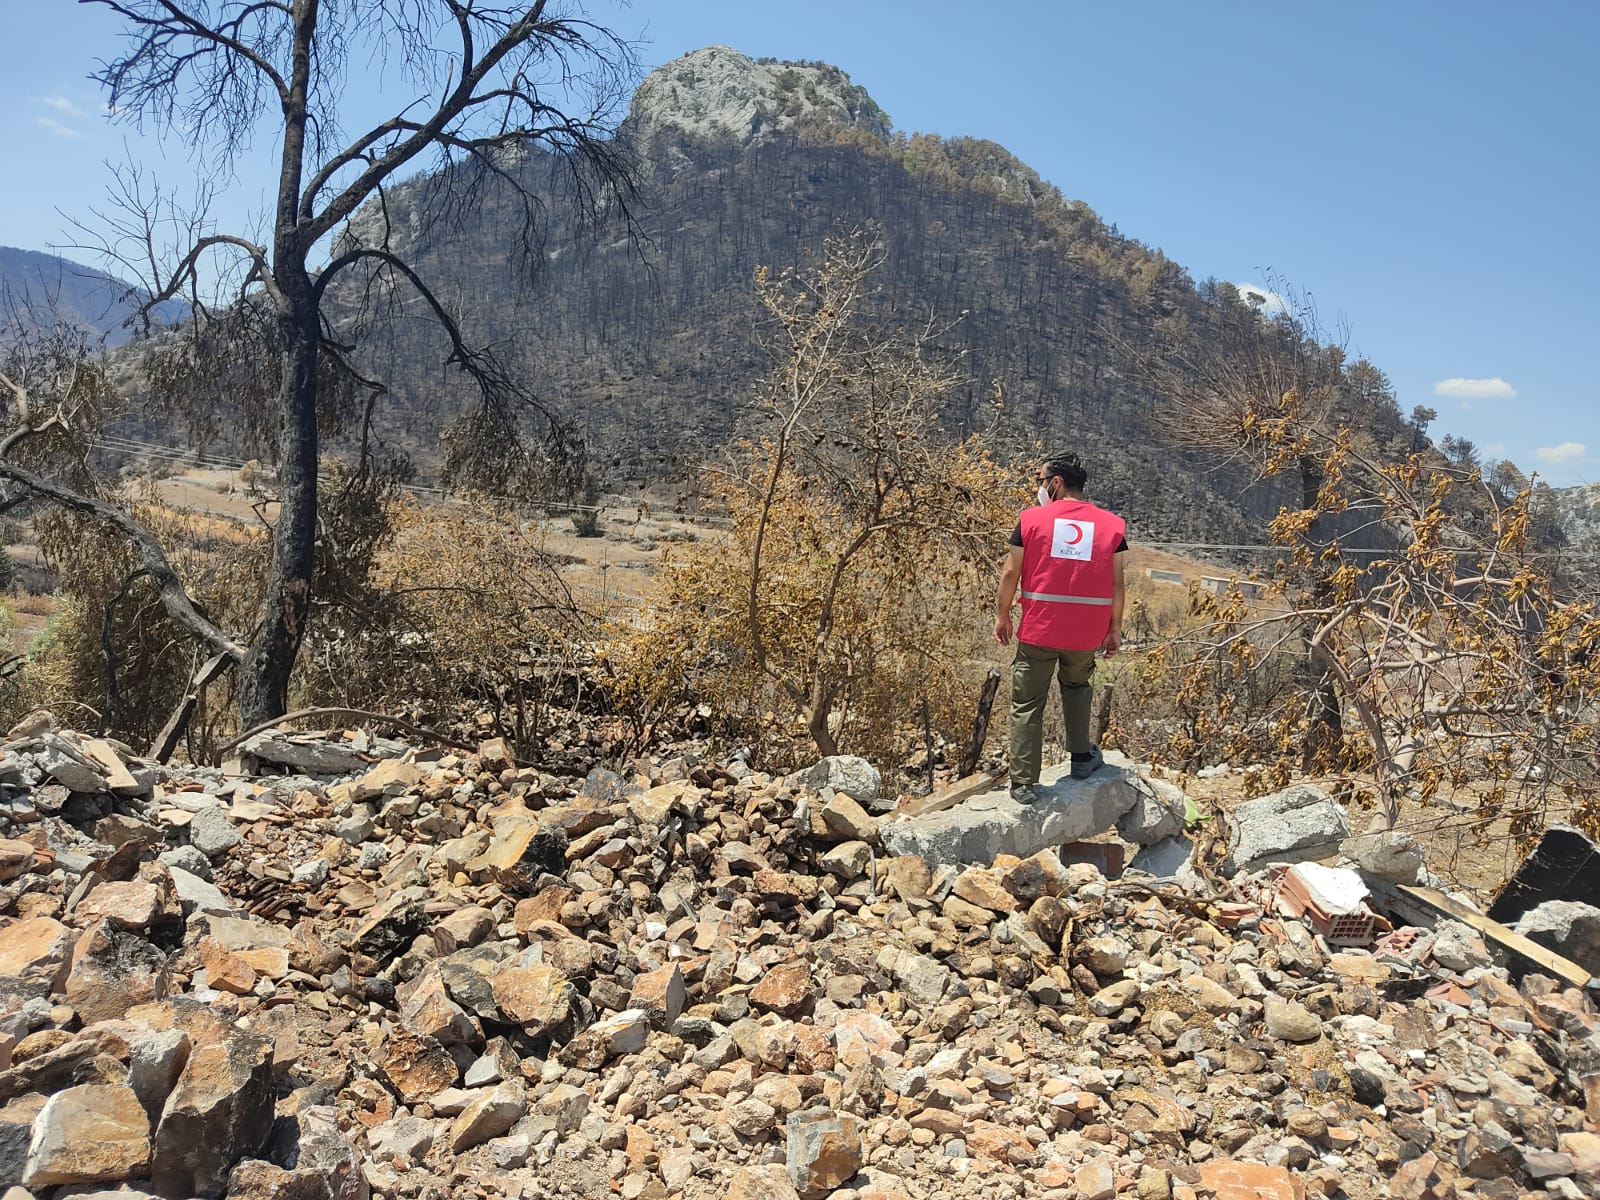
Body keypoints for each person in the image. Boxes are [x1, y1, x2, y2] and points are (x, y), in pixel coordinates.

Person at [993, 452, 1127, 804]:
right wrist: (1114, 629)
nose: (1038, 486)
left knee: (1027, 702)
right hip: (1086, 633)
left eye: (1040, 479)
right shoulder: (1113, 526)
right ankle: (1082, 759)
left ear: (1055, 483)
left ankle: (1023, 783)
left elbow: (1010, 572)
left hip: (1041, 627)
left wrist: (1002, 614)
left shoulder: (1030, 520)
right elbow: (1117, 583)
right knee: (1078, 687)